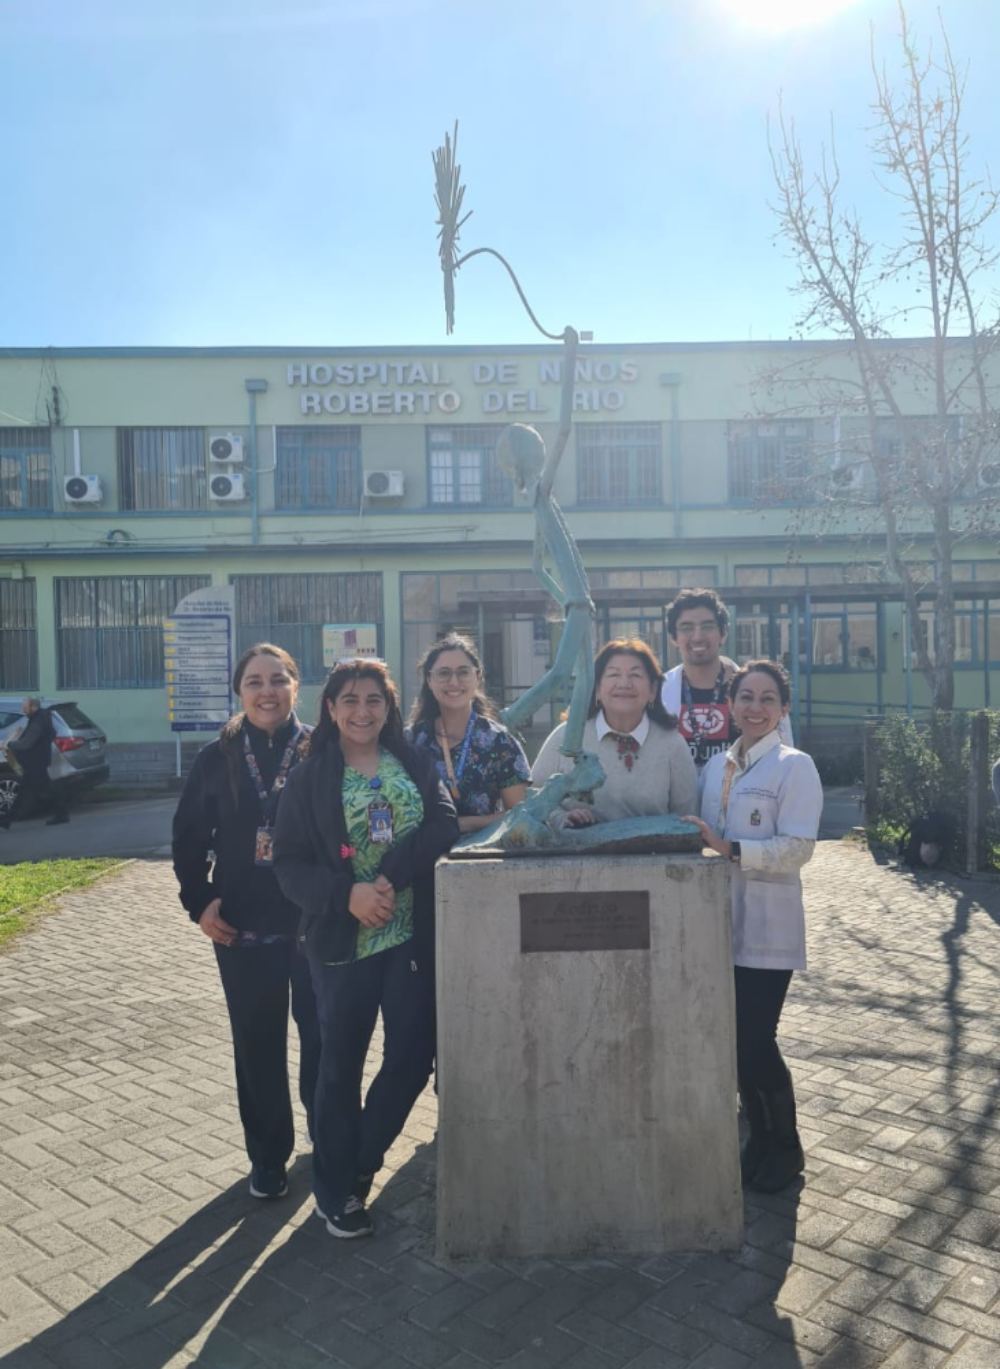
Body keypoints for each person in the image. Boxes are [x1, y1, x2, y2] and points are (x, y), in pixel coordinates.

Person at [272, 659, 459, 1239]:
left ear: (389, 707)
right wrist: (347, 895)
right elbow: (289, 864)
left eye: (374, 699)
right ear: (330, 709)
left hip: (407, 936)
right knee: (340, 1066)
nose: (362, 711)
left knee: (411, 1057)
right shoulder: (308, 779)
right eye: (349, 700)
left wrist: (390, 879)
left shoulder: (413, 760)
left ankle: (359, 1164)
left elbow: (444, 823)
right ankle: (335, 1193)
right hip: (341, 941)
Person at [172, 643, 320, 1202]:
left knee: (323, 1038)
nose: (267, 691)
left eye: (278, 679)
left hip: (313, 923)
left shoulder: (320, 749)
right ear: (240, 691)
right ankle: (268, 1155)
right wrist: (200, 902)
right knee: (257, 1044)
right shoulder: (218, 756)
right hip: (241, 928)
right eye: (255, 681)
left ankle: (323, 1135)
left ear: (296, 687)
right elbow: (188, 838)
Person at [684, 660, 823, 1194]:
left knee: (755, 1039)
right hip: (717, 924)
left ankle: (785, 1146)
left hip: (768, 926)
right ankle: (759, 1140)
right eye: (746, 697)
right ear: (730, 705)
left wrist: (732, 850)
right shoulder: (716, 766)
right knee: (732, 1041)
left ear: (783, 708)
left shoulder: (794, 766)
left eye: (768, 698)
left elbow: (798, 849)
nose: (756, 707)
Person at [532, 638, 698, 830]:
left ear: (653, 690)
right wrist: (561, 818)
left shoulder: (672, 745)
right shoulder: (566, 738)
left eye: (635, 675)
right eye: (613, 674)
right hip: (577, 855)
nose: (624, 683)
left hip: (652, 857)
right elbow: (534, 800)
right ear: (597, 689)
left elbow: (688, 819)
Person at [406, 633, 530, 833]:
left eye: (463, 672)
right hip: (420, 857)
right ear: (429, 680)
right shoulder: (411, 741)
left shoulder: (500, 742)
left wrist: (462, 824)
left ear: (478, 677)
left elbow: (521, 812)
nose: (454, 682)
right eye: (443, 673)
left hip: (480, 857)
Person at [661, 588, 791, 770]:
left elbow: (783, 757)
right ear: (674, 638)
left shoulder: (759, 691)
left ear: (723, 633)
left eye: (707, 626)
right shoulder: (658, 693)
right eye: (687, 628)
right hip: (677, 798)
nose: (697, 636)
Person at [0, 697, 69, 830]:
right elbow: (52, 734)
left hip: (35, 761)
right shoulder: (41, 719)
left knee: (27, 791)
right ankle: (62, 813)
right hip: (38, 760)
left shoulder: (38, 721)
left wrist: (9, 744)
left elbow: (28, 743)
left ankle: (6, 819)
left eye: (25, 708)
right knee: (38, 789)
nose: (23, 711)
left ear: (34, 707)